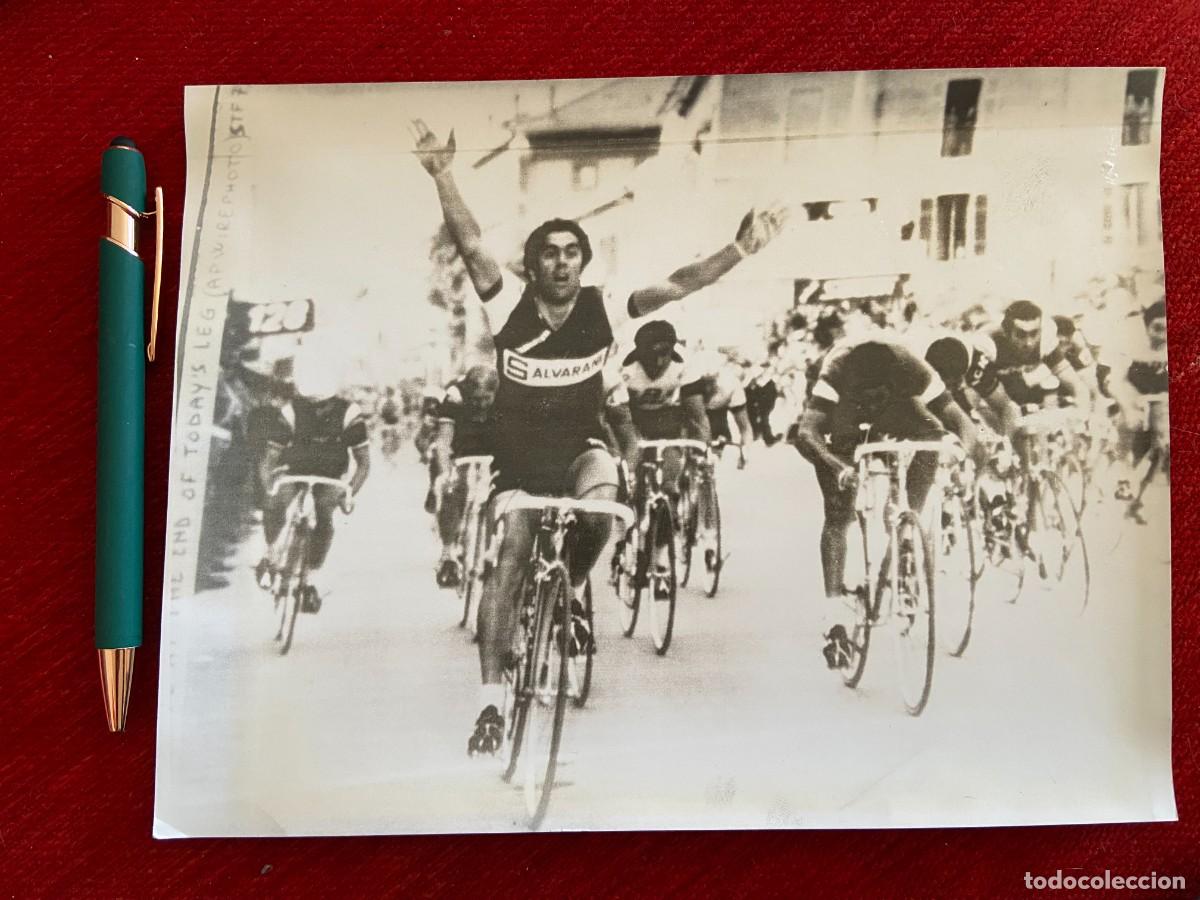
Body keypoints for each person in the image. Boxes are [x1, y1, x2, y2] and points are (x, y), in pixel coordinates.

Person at [411, 119, 786, 756]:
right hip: (520, 456)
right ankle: (490, 702)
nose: (561, 262)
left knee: (604, 505)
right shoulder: (507, 305)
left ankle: (573, 586)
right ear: (533, 265)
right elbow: (472, 244)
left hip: (581, 446)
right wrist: (443, 173)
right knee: (511, 556)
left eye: (571, 253)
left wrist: (741, 249)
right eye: (549, 253)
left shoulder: (605, 307)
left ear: (583, 263)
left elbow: (682, 281)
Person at [790, 339, 976, 670]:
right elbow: (806, 433)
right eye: (865, 393)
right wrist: (839, 467)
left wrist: (961, 454)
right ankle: (834, 619)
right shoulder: (835, 373)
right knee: (837, 512)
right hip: (844, 415)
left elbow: (963, 423)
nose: (870, 400)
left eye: (875, 393)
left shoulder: (914, 370)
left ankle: (907, 529)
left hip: (898, 406)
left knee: (932, 438)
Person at [255, 345, 371, 608]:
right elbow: (270, 457)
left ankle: (311, 578)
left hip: (330, 473)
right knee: (274, 503)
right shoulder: (291, 410)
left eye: (323, 405)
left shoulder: (349, 412)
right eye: (311, 404)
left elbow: (364, 463)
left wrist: (350, 492)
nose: (317, 409)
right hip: (294, 470)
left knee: (324, 511)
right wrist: (268, 487)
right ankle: (271, 553)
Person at [430, 365, 499, 588]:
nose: (481, 404)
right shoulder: (454, 396)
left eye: (486, 399)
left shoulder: (506, 395)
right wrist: (445, 474)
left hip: (494, 449)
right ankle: (448, 553)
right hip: (462, 449)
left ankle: (496, 546)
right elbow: (443, 442)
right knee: (452, 488)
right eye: (476, 399)